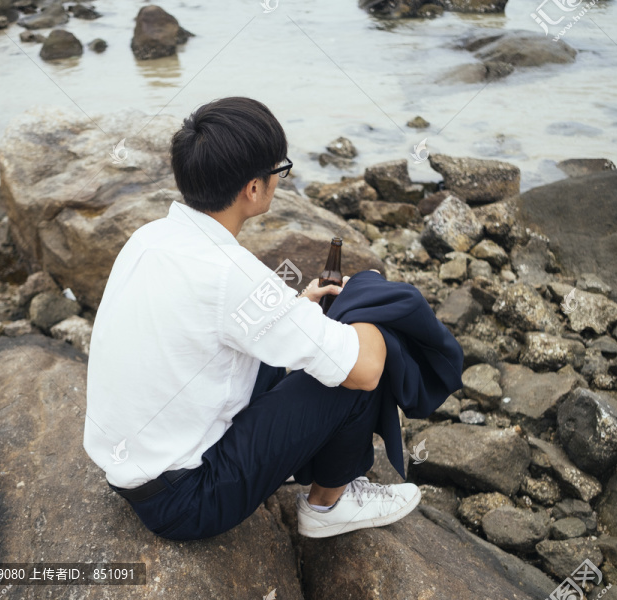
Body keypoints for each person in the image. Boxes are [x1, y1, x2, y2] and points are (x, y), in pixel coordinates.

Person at [83, 96, 422, 541]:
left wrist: (298, 309)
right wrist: (370, 303)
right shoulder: (231, 273)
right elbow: (364, 368)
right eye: (278, 171)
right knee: (350, 372)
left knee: (307, 346)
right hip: (186, 502)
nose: (279, 181)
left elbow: (217, 323)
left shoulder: (149, 237)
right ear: (254, 189)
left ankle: (305, 467)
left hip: (129, 471)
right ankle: (328, 504)